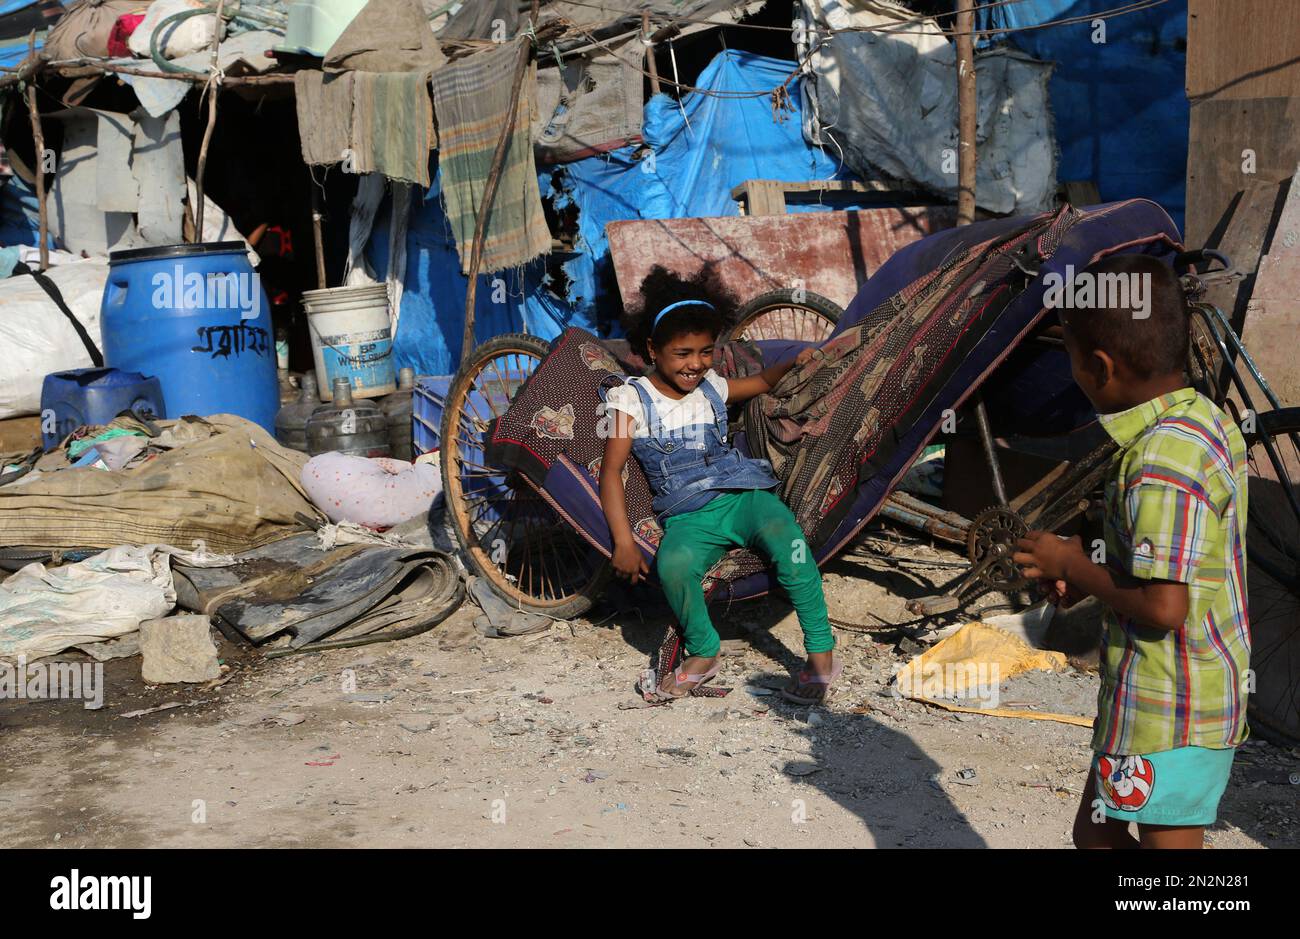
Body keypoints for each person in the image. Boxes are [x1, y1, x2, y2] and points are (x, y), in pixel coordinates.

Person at [1013, 254, 1250, 849]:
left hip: (1171, 709)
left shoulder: (1158, 461)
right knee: (1096, 834)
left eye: (1068, 355)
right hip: (1157, 700)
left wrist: (1075, 567)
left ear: (1100, 366)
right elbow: (1176, 561)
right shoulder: (1201, 420)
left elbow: (1166, 607)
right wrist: (1089, 569)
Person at [598, 267, 838, 703]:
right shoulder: (630, 399)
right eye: (682, 353)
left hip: (746, 496)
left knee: (794, 547)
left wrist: (792, 362)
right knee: (674, 566)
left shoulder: (710, 385)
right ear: (652, 349)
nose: (695, 364)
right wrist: (623, 541)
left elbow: (763, 383)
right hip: (689, 513)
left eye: (706, 352)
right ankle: (704, 652)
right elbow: (610, 471)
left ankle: (821, 653)